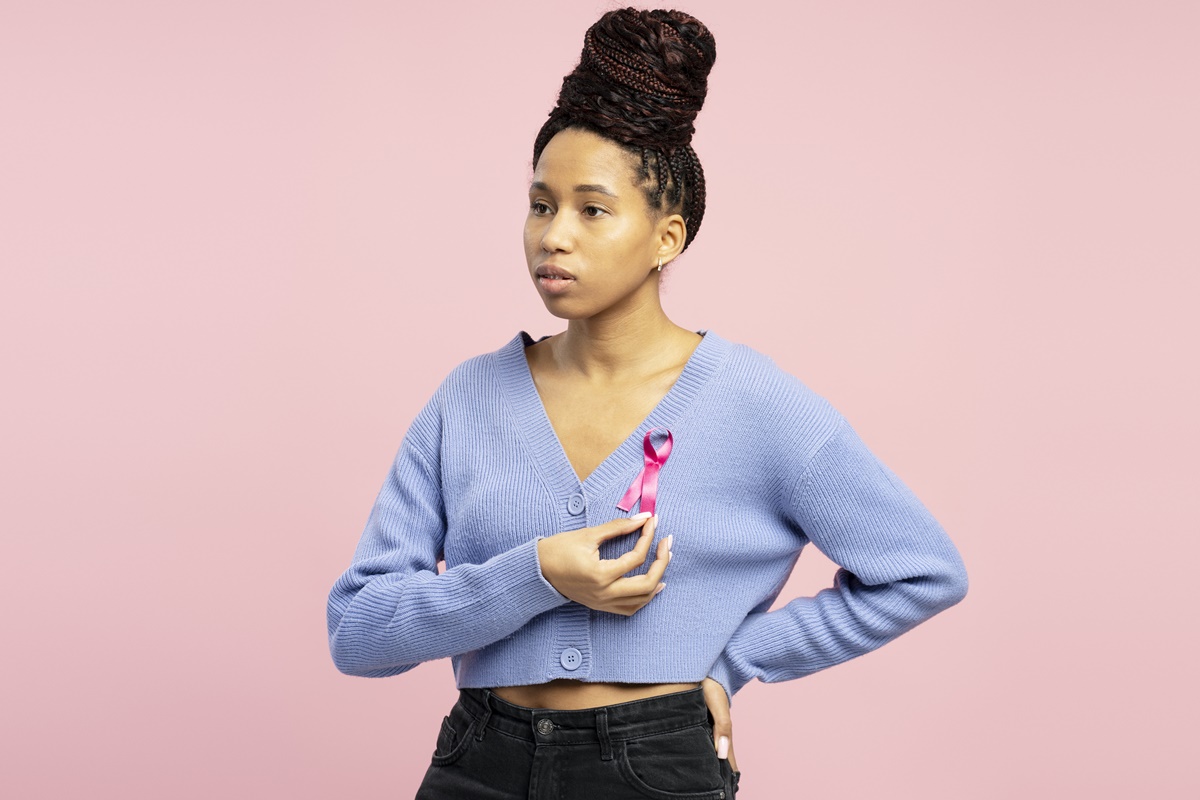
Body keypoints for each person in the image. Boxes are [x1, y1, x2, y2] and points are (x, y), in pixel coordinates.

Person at [326, 7, 968, 798]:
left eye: (591, 210)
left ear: (667, 237)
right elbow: (358, 634)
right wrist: (535, 576)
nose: (553, 236)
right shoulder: (468, 398)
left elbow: (922, 571)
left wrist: (741, 661)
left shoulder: (754, 402)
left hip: (656, 764)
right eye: (540, 205)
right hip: (476, 763)